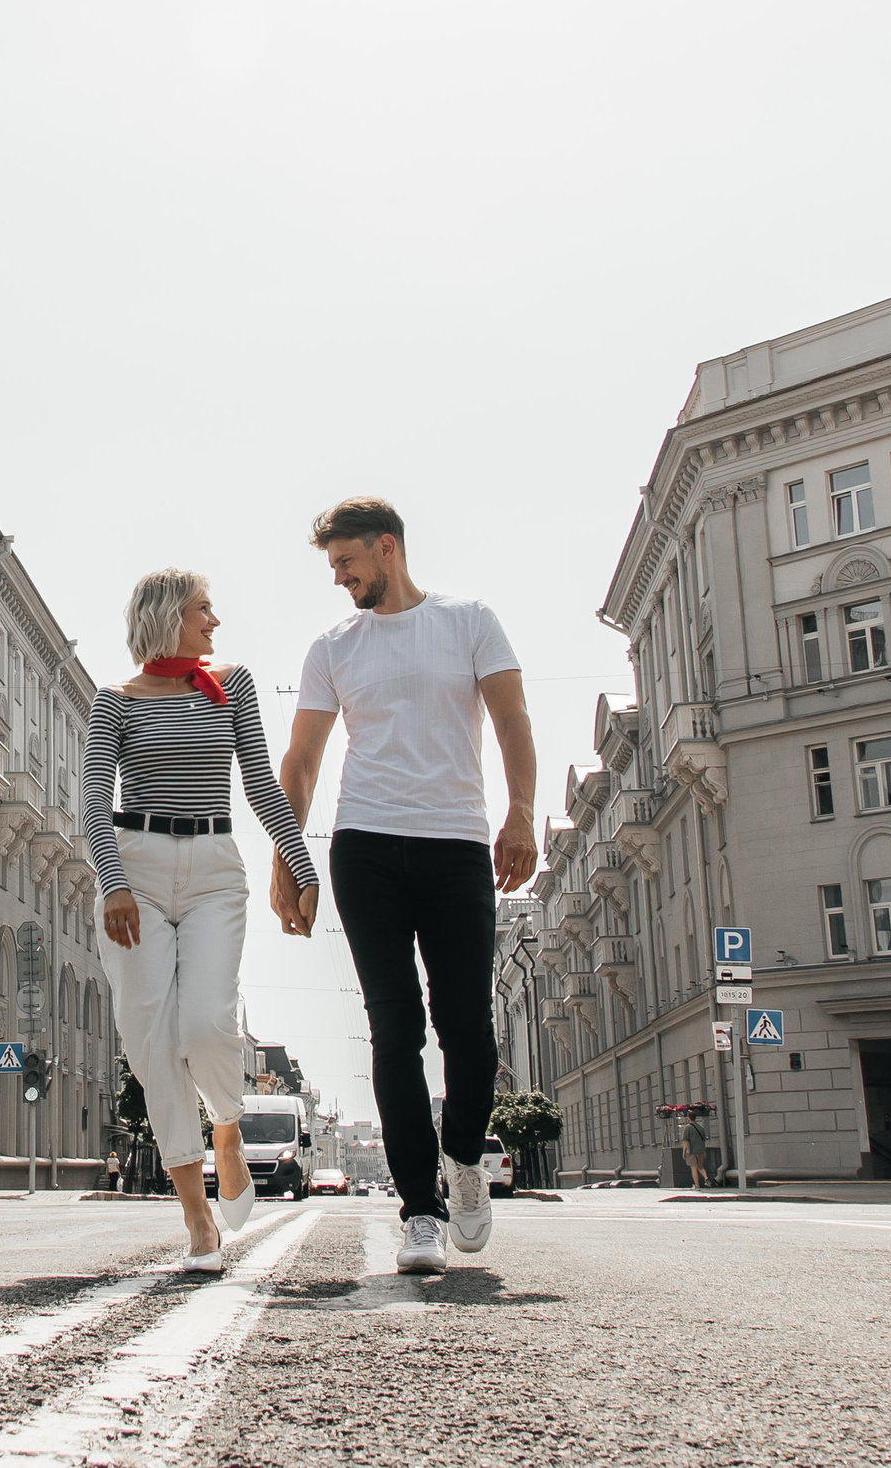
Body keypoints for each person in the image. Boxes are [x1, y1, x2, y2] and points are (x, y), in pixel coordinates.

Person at [276, 498, 534, 1275]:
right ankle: (418, 1211)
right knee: (395, 1026)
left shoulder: (469, 621)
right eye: (332, 565)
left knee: (467, 1024)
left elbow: (512, 717)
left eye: (346, 562)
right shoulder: (333, 646)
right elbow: (304, 758)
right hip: (367, 846)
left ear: (386, 548)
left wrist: (521, 812)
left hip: (456, 840)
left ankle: (463, 1165)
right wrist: (290, 853)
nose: (339, 577)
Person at [86, 568, 322, 1274]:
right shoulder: (113, 701)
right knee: (151, 1037)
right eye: (203, 610)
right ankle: (194, 1209)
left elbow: (258, 781)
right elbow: (95, 801)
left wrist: (302, 864)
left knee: (207, 1024)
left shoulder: (233, 685)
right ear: (167, 617)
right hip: (137, 867)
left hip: (216, 867)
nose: (214, 621)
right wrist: (114, 882)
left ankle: (225, 1124)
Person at [679, 1112, 713, 1190]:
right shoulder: (700, 1127)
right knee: (700, 1167)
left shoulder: (687, 1127)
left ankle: (697, 1185)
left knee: (693, 1168)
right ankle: (706, 1177)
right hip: (700, 1150)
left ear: (689, 1117)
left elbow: (685, 1141)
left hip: (691, 1151)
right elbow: (703, 1140)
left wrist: (684, 1151)